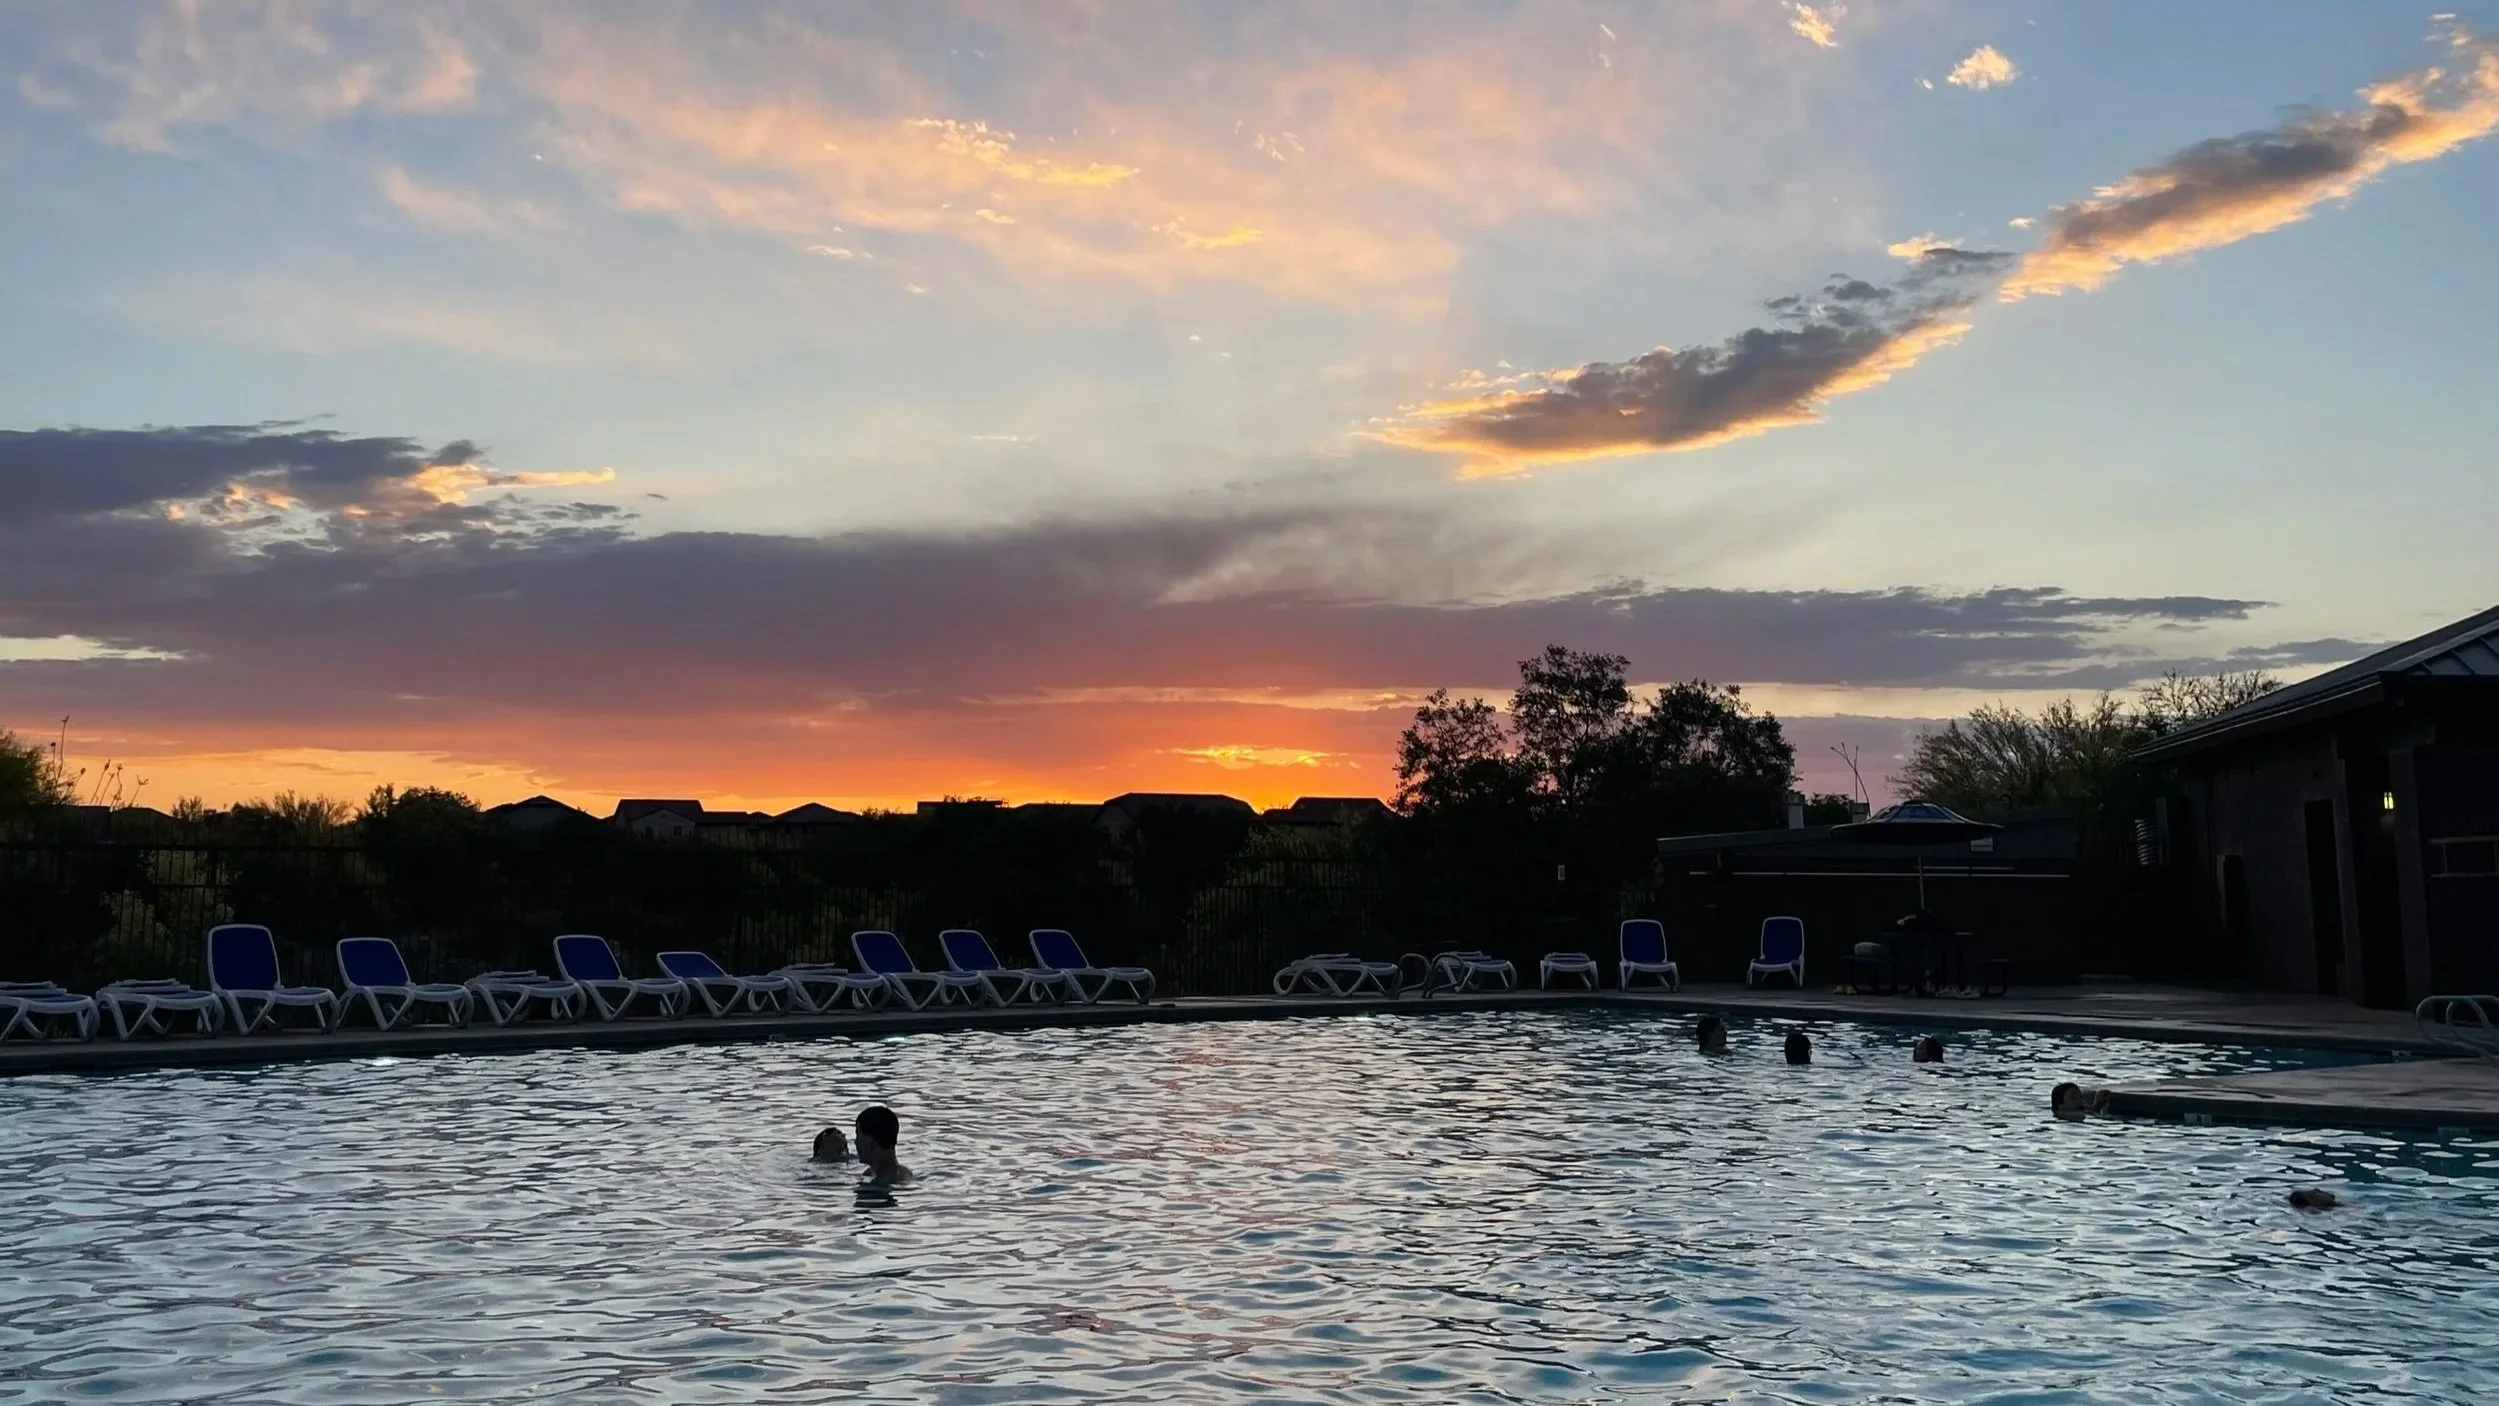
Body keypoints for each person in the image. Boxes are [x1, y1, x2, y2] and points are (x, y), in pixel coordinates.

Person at [855, 1104, 913, 1183]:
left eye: (858, 1135)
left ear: (869, 1142)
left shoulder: (901, 1182)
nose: (855, 1142)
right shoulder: (868, 1174)